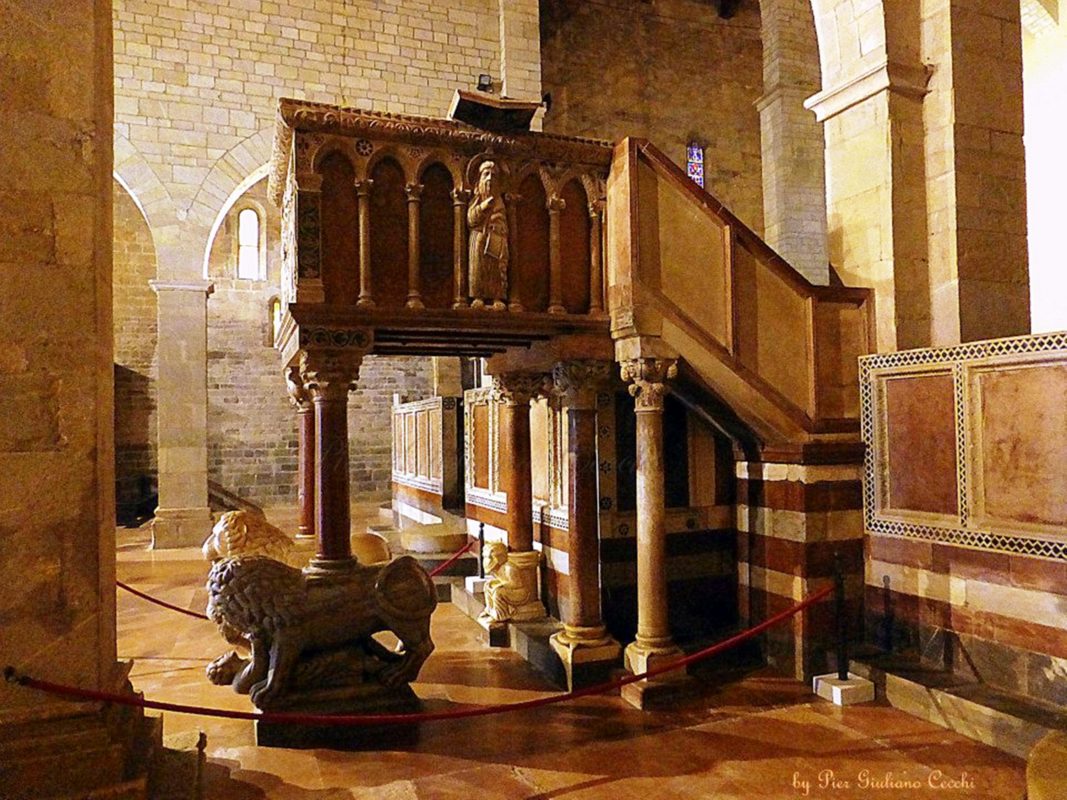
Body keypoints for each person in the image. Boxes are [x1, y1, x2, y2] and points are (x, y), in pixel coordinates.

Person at [467, 160, 509, 309]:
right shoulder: (477, 199)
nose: (490, 178)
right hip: (479, 239)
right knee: (478, 269)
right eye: (486, 174)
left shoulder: (499, 202)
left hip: (495, 239)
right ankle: (478, 296)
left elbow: (503, 221)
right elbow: (470, 219)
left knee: (496, 270)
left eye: (493, 175)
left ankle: (497, 297)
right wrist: (483, 207)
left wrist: (497, 227)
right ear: (479, 179)